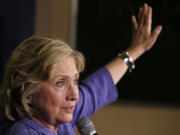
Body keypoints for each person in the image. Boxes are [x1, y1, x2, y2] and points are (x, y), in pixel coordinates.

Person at [0, 3, 162, 135]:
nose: (74, 94)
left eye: (75, 81)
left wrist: (135, 51)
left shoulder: (60, 119)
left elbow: (96, 88)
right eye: (60, 83)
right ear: (28, 93)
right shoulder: (23, 132)